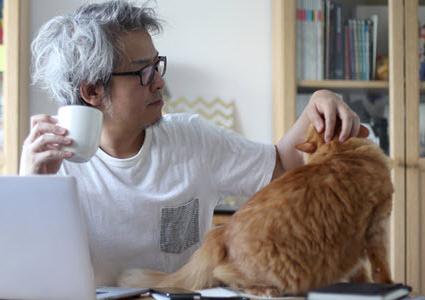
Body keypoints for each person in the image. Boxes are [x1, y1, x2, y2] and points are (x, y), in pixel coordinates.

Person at [20, 0, 361, 286]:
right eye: (144, 72)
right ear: (92, 90)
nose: (160, 83)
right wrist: (29, 187)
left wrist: (320, 100)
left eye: (157, 65)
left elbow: (283, 166)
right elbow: (25, 272)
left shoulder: (193, 140)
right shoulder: (52, 162)